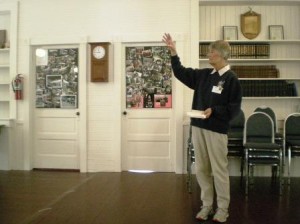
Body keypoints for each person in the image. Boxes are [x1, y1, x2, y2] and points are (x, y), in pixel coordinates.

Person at [162, 33, 242, 223]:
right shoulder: (204, 75)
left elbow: (234, 109)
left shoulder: (232, 79)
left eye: (212, 52)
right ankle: (206, 206)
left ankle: (222, 209)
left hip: (217, 130)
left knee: (219, 170)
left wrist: (213, 111)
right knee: (202, 169)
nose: (209, 54)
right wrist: (174, 53)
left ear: (222, 55)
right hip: (198, 127)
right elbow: (180, 72)